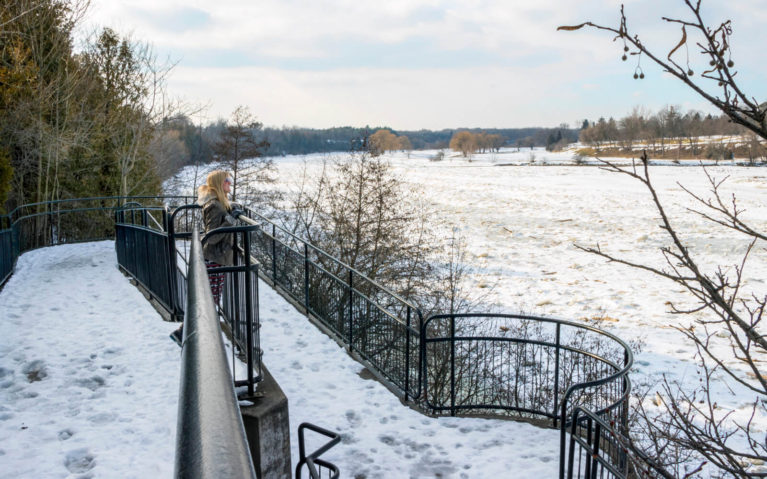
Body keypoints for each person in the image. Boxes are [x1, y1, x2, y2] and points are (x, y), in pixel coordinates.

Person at [170, 170, 243, 346]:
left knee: (211, 299)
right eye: (227, 180)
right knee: (208, 299)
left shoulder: (218, 203)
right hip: (214, 258)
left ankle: (198, 333)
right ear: (219, 183)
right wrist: (230, 221)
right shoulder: (213, 205)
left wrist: (231, 208)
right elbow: (212, 236)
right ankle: (182, 333)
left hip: (219, 258)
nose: (230, 183)